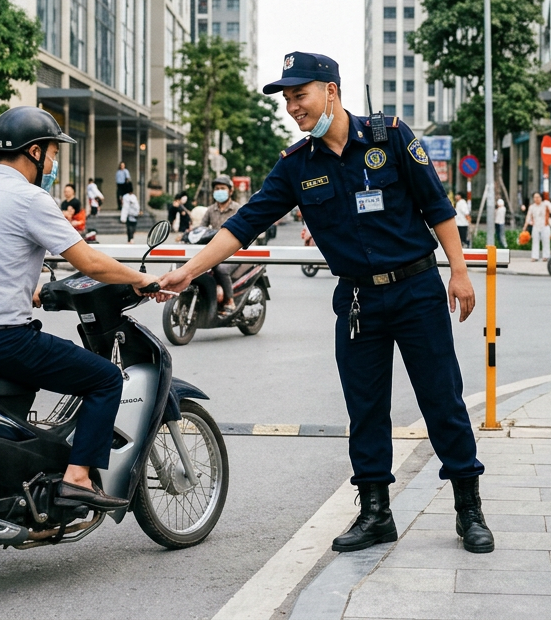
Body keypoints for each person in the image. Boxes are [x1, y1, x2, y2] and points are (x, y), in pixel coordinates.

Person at [157, 52, 494, 555]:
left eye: (300, 95)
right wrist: (189, 271)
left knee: (442, 399)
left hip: (417, 289)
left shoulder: (389, 137)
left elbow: (436, 205)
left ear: (331, 91)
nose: (293, 107)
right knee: (366, 409)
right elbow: (244, 224)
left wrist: (460, 271)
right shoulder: (297, 165)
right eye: (287, 100)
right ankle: (376, 513)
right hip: (358, 299)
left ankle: (469, 510)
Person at [0, 106, 166, 511]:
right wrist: (140, 279)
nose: (54, 163)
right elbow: (89, 262)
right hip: (3, 342)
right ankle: (77, 479)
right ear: (35, 151)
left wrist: (32, 290)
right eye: (54, 153)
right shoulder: (30, 199)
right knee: (105, 379)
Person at [198, 176, 242, 316]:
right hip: (215, 250)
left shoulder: (237, 209)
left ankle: (230, 300)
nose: (219, 191)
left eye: (223, 188)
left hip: (234, 251)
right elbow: (201, 228)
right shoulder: (211, 210)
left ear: (230, 191)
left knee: (221, 269)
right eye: (217, 189)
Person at [525, 191, 551, 260]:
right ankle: (534, 257)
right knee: (535, 242)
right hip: (536, 226)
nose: (536, 199)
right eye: (535, 197)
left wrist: (548, 204)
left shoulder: (545, 204)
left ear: (541, 197)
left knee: (546, 242)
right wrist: (525, 226)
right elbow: (528, 216)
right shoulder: (532, 207)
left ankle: (546, 256)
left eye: (538, 197)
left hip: (545, 226)